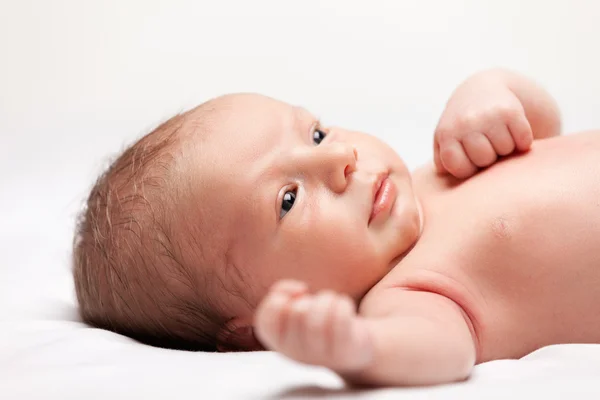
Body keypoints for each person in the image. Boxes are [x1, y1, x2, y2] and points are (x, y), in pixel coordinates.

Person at [76, 68, 600, 386]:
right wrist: (357, 349)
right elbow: (442, 352)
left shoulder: (443, 164)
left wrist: (490, 90)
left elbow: (544, 127)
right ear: (256, 331)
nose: (342, 160)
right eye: (288, 198)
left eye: (318, 134)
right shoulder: (405, 295)